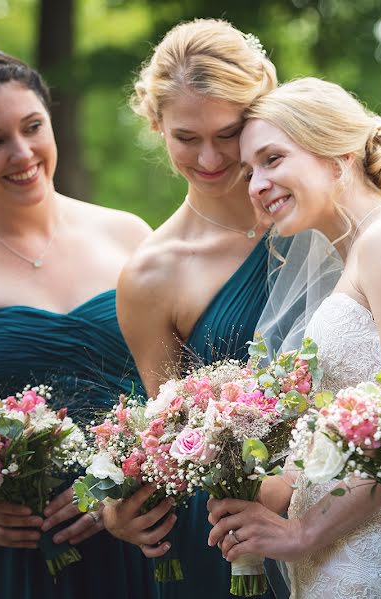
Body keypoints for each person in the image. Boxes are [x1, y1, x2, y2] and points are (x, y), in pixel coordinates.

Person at [205, 77, 381, 598]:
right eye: (250, 171)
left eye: (273, 159)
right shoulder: (356, 255)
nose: (256, 185)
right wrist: (252, 487)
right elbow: (341, 427)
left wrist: (303, 532)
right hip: (340, 562)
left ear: (338, 154)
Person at [0, 46, 154, 598]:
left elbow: (171, 395)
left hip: (135, 534)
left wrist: (109, 490)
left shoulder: (128, 236)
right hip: (9, 555)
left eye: (33, 127)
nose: (22, 153)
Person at [103, 19, 285, 598]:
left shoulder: (316, 213)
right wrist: (115, 506)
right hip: (231, 542)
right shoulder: (152, 274)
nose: (210, 158)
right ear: (156, 125)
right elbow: (170, 435)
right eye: (186, 137)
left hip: (349, 504)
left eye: (228, 133)